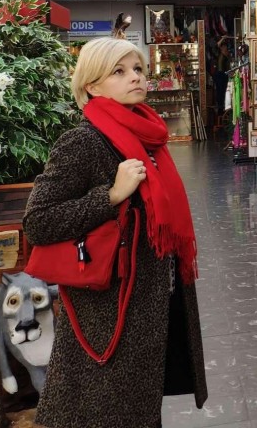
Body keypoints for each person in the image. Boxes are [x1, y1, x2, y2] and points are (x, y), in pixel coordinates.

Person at [24, 37, 207, 428]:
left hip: (151, 295)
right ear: (92, 85)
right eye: (119, 71)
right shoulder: (83, 142)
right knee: (107, 408)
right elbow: (38, 222)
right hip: (109, 306)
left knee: (137, 405)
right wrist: (109, 195)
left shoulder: (148, 134)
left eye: (138, 69)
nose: (135, 78)